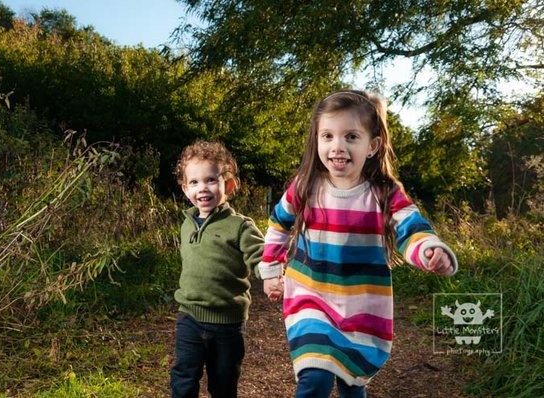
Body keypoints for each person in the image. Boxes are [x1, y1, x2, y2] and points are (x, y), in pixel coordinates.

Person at [258, 90, 458, 397]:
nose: (337, 146)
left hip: (362, 305)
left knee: (351, 383)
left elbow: (411, 228)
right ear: (317, 140)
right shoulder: (305, 185)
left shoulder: (383, 192)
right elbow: (278, 223)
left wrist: (429, 250)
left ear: (372, 145)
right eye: (328, 136)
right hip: (310, 296)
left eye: (351, 136)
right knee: (315, 378)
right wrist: (271, 269)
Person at [170, 140, 265, 398]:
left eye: (211, 180)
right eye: (194, 182)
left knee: (223, 383)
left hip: (227, 323)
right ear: (185, 188)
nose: (203, 188)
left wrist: (269, 275)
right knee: (183, 377)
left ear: (229, 185)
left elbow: (260, 256)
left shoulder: (240, 226)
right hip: (189, 316)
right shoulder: (187, 224)